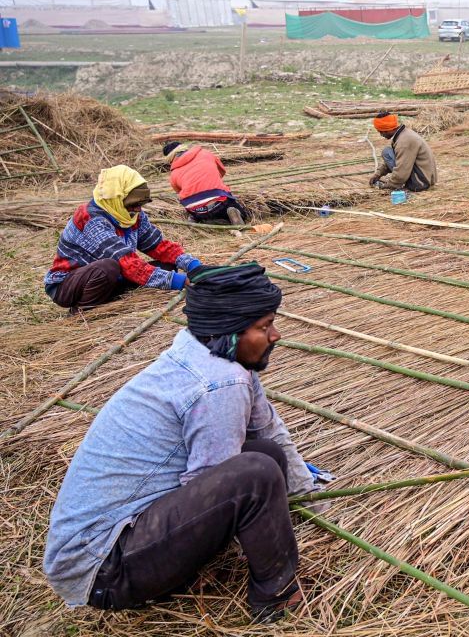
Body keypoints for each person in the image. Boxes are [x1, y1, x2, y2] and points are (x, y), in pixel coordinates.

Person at [44, 262, 318, 624]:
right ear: (231, 331)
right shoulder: (219, 383)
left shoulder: (211, 352)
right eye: (264, 327)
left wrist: (309, 497)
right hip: (105, 568)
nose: (276, 335)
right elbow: (214, 482)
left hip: (119, 540)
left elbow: (270, 433)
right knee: (256, 471)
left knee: (264, 453)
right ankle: (277, 597)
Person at [44, 165, 202, 311]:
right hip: (69, 285)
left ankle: (112, 296)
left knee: (167, 266)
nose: (138, 209)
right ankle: (83, 311)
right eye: (133, 204)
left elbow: (158, 245)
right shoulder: (92, 220)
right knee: (107, 268)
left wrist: (193, 266)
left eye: (141, 204)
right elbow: (125, 262)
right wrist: (181, 282)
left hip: (113, 278)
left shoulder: (131, 215)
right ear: (117, 198)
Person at [164, 141, 249, 225]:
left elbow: (179, 192)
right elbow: (222, 171)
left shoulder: (173, 174)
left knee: (199, 214)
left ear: (170, 159)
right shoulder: (205, 153)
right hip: (219, 200)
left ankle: (203, 220)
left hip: (194, 208)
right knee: (241, 212)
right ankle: (233, 213)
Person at [368, 113, 436, 192]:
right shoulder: (403, 134)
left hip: (421, 183)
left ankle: (407, 184)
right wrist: (378, 174)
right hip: (423, 177)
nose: (381, 135)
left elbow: (402, 170)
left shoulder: (404, 142)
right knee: (387, 152)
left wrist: (389, 185)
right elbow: (397, 158)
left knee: (386, 152)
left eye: (381, 132)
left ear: (388, 129)